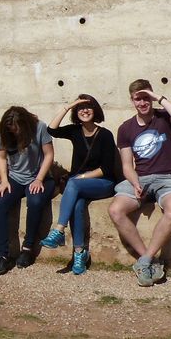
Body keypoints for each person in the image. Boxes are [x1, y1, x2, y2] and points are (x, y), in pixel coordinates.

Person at [109, 79, 171, 287]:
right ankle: (148, 259)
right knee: (116, 210)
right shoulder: (125, 128)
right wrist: (135, 183)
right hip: (141, 177)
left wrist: (160, 99)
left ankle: (144, 260)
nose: (143, 103)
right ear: (132, 101)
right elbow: (127, 165)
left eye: (147, 97)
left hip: (168, 177)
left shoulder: (164, 117)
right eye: (139, 98)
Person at [40, 94, 120, 274]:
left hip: (103, 182)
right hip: (80, 185)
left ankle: (59, 230)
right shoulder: (75, 131)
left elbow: (106, 169)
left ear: (96, 110)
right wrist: (69, 106)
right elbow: (52, 129)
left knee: (73, 184)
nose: (84, 110)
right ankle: (79, 253)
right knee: (77, 206)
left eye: (88, 107)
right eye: (80, 108)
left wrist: (81, 178)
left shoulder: (105, 135)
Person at [0, 106, 55, 275]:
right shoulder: (4, 131)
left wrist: (39, 179)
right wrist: (4, 181)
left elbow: (49, 154)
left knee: (35, 201)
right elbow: (1, 157)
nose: (15, 133)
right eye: (11, 130)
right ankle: (3, 256)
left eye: (17, 130)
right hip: (15, 177)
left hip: (39, 176)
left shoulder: (39, 127)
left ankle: (27, 248)